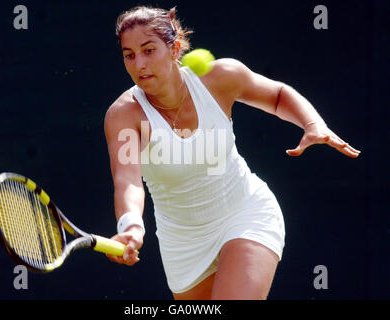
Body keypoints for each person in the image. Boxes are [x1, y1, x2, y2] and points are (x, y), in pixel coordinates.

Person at [103, 6, 360, 300]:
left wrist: (313, 124)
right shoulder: (124, 115)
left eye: (149, 50)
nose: (139, 64)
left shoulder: (219, 77)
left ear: (174, 49)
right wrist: (131, 226)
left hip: (246, 214)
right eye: (129, 55)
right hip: (183, 244)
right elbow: (129, 181)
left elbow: (276, 96)